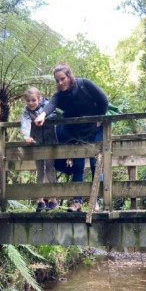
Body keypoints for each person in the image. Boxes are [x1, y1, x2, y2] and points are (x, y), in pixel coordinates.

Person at [34, 64, 108, 212]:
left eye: (63, 79)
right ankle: (77, 202)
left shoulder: (84, 84)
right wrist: (41, 115)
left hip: (95, 129)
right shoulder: (60, 95)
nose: (60, 83)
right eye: (57, 80)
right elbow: (51, 105)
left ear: (69, 76)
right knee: (78, 167)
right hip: (77, 133)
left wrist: (100, 117)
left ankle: (96, 202)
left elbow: (103, 99)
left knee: (96, 164)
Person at [20, 87, 59, 212]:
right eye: (28, 101)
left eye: (34, 100)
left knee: (50, 169)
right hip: (36, 143)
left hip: (50, 142)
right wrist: (27, 136)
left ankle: (53, 199)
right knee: (40, 171)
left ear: (39, 99)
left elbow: (57, 114)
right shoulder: (26, 111)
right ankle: (40, 200)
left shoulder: (47, 106)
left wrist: (44, 118)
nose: (31, 103)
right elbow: (25, 122)